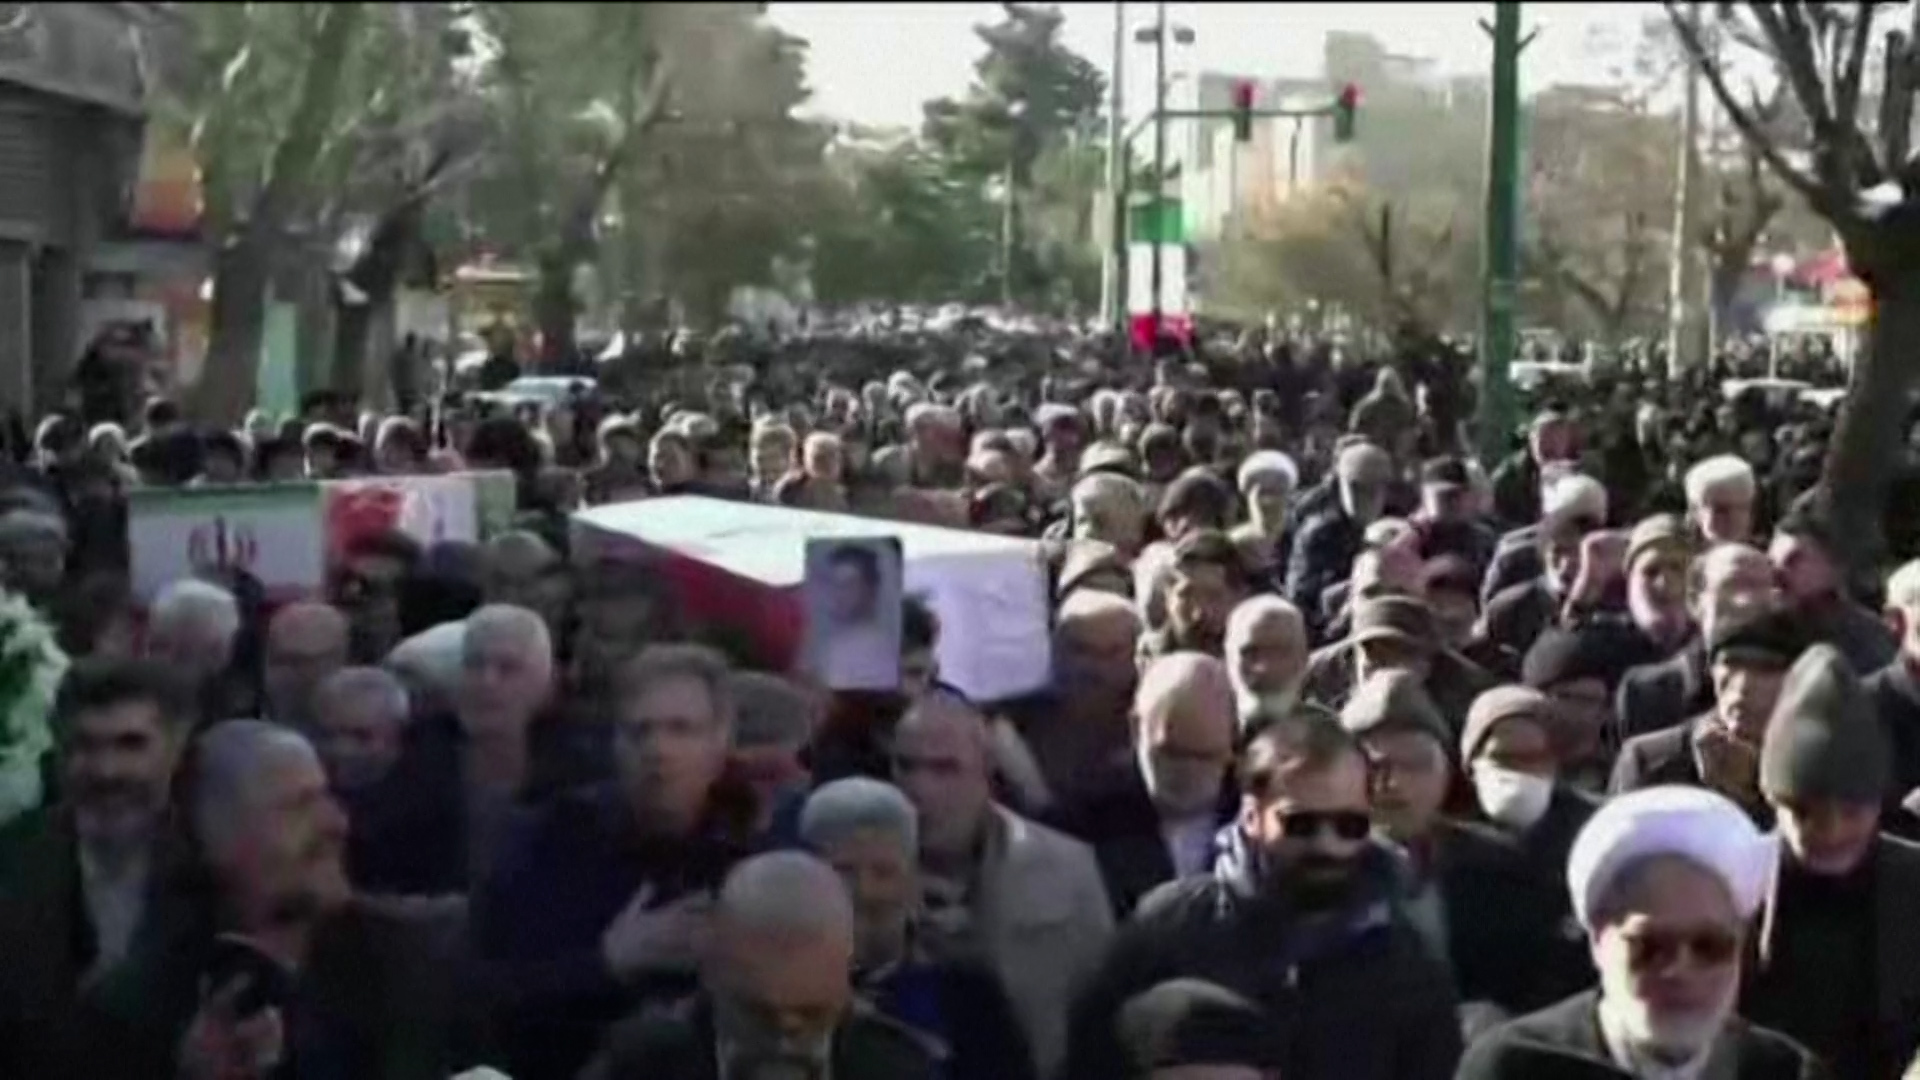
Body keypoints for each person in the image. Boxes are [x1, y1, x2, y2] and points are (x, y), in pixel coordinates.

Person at [1062, 710, 1461, 1080]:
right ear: (1252, 816)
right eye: (1301, 824)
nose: (1326, 845)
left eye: (1349, 824)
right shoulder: (1171, 929)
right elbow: (1093, 1060)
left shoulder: (1404, 963)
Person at [80, 720, 476, 1080]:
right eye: (299, 807)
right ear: (215, 840)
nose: (336, 823)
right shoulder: (131, 1011)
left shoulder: (416, 962)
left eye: (326, 798)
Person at [472, 643, 762, 1080]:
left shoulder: (755, 852)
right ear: (615, 744)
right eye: (639, 731)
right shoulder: (549, 839)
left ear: (722, 741)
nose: (658, 750)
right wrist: (609, 962)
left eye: (681, 730)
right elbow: (488, 996)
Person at [1454, 785, 1820, 1080]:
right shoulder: (1514, 1067)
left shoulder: (1784, 1070)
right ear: (1599, 941)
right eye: (1651, 947)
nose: (1680, 971)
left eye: (1710, 947)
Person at [891, 686, 1113, 1077]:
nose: (920, 788)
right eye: (907, 766)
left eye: (945, 768)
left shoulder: (1065, 869)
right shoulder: (855, 867)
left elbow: (1099, 1021)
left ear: (986, 772)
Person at [582, 852, 942, 1080]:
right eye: (758, 1014)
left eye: (812, 1014)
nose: (784, 1043)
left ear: (847, 977)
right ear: (711, 972)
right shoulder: (639, 1066)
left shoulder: (899, 1069)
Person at [0, 659, 195, 1075]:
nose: (107, 771)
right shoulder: (13, 862)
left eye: (131, 745)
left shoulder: (214, 861)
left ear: (177, 745)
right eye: (85, 746)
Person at [1743, 645, 1920, 1078]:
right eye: (1805, 812)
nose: (1832, 831)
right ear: (1773, 801)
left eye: (1852, 811)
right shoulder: (1730, 886)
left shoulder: (1913, 883)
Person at [798, 778, 1035, 1080]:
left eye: (884, 872)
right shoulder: (771, 986)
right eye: (844, 872)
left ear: (914, 883)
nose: (865, 891)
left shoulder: (966, 992)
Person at [1048, 653, 1240, 919]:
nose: (1187, 772)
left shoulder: (1261, 821)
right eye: (1171, 754)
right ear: (1136, 729)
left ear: (1232, 741)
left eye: (1205, 756)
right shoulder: (1080, 824)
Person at [815, 544, 899, 690]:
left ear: (870, 590)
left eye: (848, 585)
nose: (838, 595)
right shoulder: (832, 646)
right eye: (834, 584)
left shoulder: (876, 654)